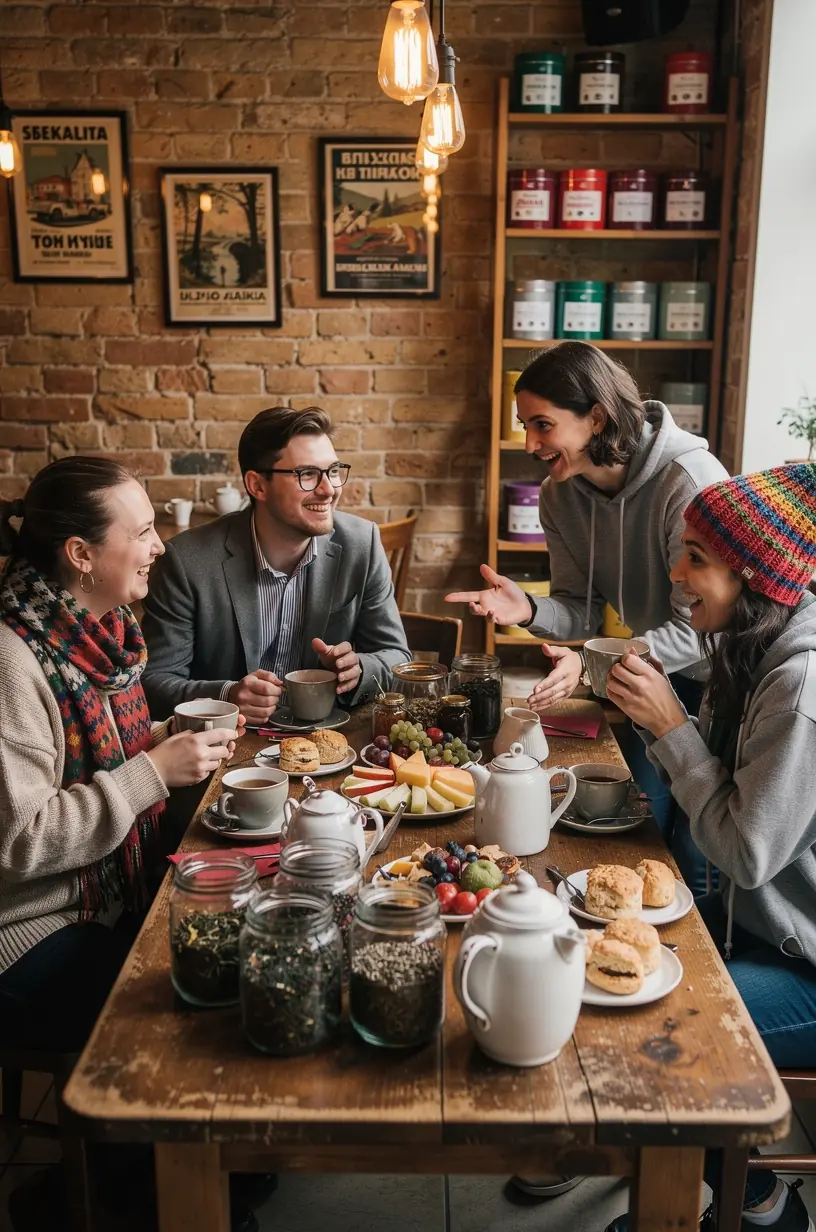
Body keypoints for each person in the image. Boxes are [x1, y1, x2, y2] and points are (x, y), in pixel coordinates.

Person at [0, 458, 261, 1231]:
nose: (160, 546)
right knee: (189, 1005)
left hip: (95, 902)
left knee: (228, 954)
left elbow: (88, 757)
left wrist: (167, 734)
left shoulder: (98, 637)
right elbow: (20, 840)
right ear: (81, 555)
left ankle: (211, 1165)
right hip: (25, 934)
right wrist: (152, 771)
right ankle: (144, 1197)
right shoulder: (14, 662)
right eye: (142, 530)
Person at [605, 464, 816, 1232]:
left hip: (804, 963)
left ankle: (754, 1203)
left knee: (650, 1030)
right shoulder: (746, 641)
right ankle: (733, 1185)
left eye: (697, 555)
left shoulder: (800, 687)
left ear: (753, 577)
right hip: (753, 926)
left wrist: (671, 728)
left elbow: (749, 852)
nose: (675, 570)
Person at [446, 342, 728, 890]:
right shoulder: (560, 496)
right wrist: (525, 607)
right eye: (525, 425)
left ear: (596, 416)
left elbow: (700, 631)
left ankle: (710, 970)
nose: (530, 443)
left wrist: (593, 665)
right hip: (646, 680)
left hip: (724, 687)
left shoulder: (688, 483)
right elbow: (579, 609)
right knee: (642, 830)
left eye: (542, 425)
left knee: (698, 855)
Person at [142, 405, 410, 725]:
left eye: (334, 471)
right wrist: (226, 696)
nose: (328, 490)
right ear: (257, 485)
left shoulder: (361, 544)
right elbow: (154, 683)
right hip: (228, 749)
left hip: (330, 739)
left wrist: (360, 669)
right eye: (307, 474)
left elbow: (397, 658)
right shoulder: (188, 562)